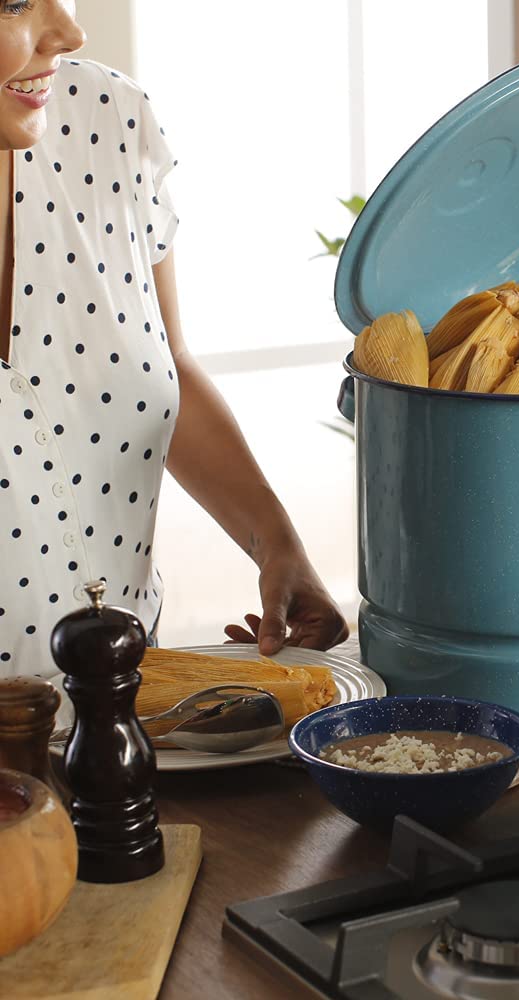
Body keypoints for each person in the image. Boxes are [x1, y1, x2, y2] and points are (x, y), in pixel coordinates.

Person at [0, 0, 348, 677]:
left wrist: (277, 545)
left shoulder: (110, 121)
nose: (70, 32)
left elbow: (167, 366)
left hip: (119, 734)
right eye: (14, 2)